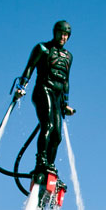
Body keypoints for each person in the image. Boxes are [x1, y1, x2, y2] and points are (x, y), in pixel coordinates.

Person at [14, 20, 76, 183]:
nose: (63, 37)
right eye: (60, 33)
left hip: (57, 95)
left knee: (57, 135)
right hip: (43, 89)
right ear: (54, 32)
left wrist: (65, 103)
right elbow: (30, 67)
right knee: (47, 125)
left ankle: (50, 165)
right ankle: (41, 161)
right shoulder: (42, 48)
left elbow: (66, 81)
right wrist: (22, 87)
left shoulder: (69, 57)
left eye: (66, 35)